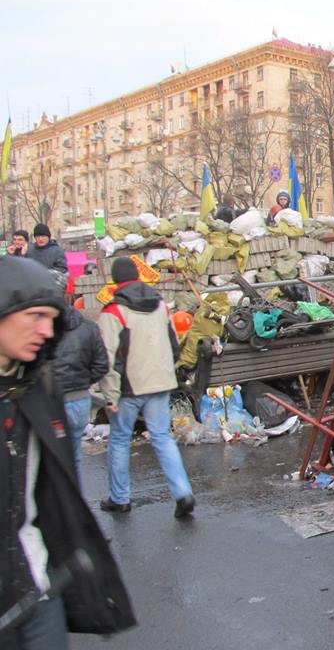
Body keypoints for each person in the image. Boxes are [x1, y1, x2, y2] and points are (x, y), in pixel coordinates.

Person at [0, 256, 135, 649]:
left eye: (51, 318)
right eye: (36, 316)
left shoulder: (38, 389)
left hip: (41, 592)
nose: (46, 330)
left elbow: (56, 495)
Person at [98, 257, 195, 518]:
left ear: (115, 281)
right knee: (162, 438)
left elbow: (107, 357)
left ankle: (120, 498)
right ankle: (183, 492)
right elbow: (175, 343)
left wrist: (110, 395)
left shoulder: (113, 312)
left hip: (129, 388)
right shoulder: (160, 305)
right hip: (160, 382)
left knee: (119, 440)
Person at [49, 271, 109, 481]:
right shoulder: (88, 327)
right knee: (74, 456)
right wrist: (84, 382)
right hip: (80, 401)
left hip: (52, 403)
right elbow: (102, 365)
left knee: (51, 460)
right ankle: (73, 504)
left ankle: (59, 506)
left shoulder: (40, 327)